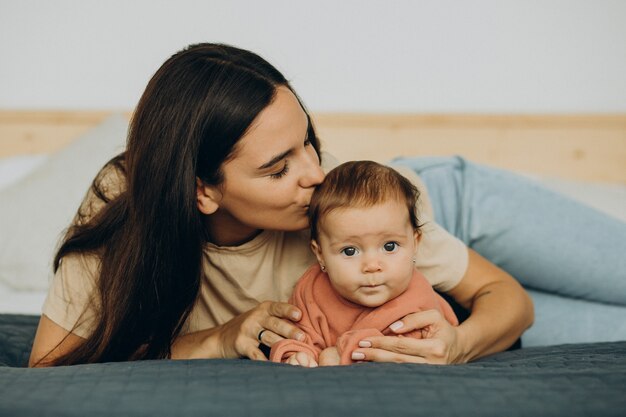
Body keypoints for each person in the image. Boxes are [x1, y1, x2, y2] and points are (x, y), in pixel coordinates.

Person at [28, 42, 538, 367]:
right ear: (201, 191)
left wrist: (461, 346)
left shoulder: (334, 196)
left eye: (308, 141)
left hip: (432, 205)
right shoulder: (123, 203)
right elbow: (51, 365)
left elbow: (506, 296)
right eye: (278, 169)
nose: (314, 174)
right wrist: (218, 339)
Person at [269, 161, 459, 367]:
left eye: (389, 246)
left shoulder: (417, 299)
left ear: (415, 244)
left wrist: (339, 353)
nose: (371, 266)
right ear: (320, 254)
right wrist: (298, 354)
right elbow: (298, 334)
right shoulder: (311, 289)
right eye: (350, 251)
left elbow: (407, 350)